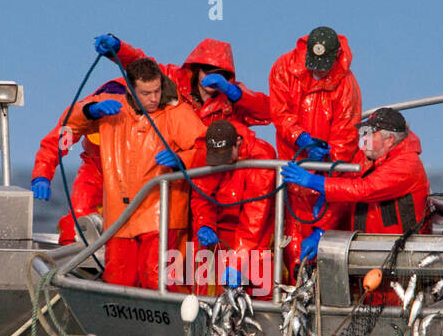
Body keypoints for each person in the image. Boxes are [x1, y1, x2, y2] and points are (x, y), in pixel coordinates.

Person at [64, 57, 207, 290]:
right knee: (118, 281)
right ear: (130, 90)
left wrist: (182, 159)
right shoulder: (112, 108)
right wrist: (90, 110)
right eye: (146, 93)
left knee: (159, 281)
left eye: (157, 90)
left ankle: (175, 325)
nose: (154, 98)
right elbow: (69, 122)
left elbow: (205, 148)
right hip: (121, 218)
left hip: (162, 217)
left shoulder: (176, 112)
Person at [282, 107, 430, 269]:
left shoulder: (406, 164)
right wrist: (321, 231)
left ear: (389, 140)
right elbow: (346, 192)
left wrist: (313, 181)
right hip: (370, 249)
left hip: (402, 253)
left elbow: (363, 190)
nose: (363, 139)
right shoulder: (369, 156)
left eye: (370, 134)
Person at [268, 25, 362, 272]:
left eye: (323, 64)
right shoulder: (284, 68)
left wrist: (330, 172)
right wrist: (302, 139)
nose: (318, 69)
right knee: (290, 249)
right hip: (292, 176)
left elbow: (346, 136)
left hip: (325, 185)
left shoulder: (347, 85)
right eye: (314, 63)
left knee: (327, 258)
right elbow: (279, 112)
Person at [93, 34, 271, 128]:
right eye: (207, 70)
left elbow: (269, 111)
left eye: (222, 73)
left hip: (217, 178)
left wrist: (233, 92)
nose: (213, 77)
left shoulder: (234, 97)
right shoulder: (173, 79)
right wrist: (117, 48)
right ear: (195, 68)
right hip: (177, 172)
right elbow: (140, 64)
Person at [30, 79, 126, 244]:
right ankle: (71, 260)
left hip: (132, 176)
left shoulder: (150, 107)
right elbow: (57, 143)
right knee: (76, 219)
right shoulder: (85, 115)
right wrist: (42, 175)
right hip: (94, 172)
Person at [189, 119, 276, 296]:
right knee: (206, 280)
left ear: (237, 142)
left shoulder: (262, 155)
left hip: (257, 231)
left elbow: (255, 217)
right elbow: (200, 196)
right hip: (221, 228)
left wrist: (236, 262)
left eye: (225, 157)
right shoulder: (206, 151)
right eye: (216, 158)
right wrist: (204, 223)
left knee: (260, 283)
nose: (220, 163)